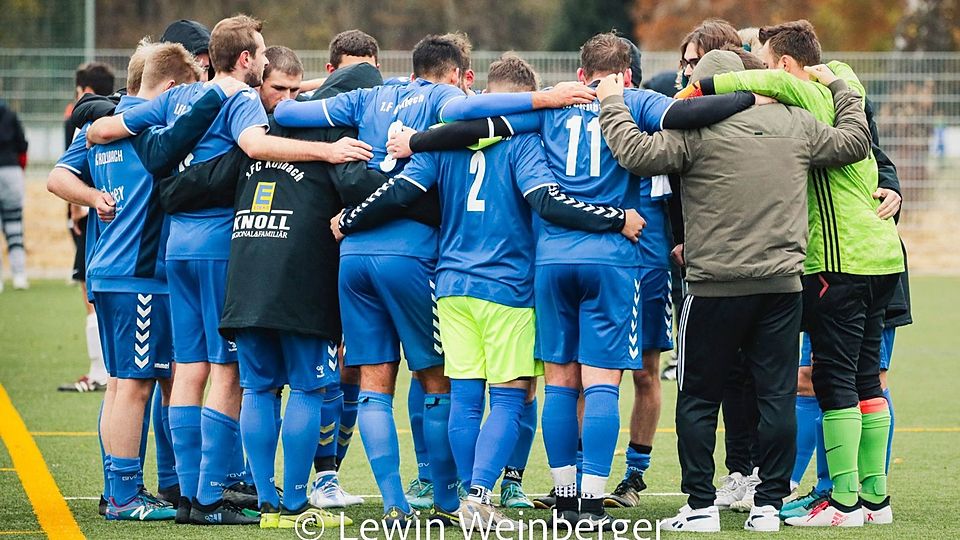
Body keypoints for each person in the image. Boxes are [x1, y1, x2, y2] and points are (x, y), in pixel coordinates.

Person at [387, 32, 761, 530]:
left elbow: (469, 121)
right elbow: (690, 114)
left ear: (581, 74)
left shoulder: (551, 106)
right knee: (602, 383)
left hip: (550, 262)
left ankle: (562, 498)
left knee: (561, 385)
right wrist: (751, 95)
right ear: (625, 75)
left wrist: (417, 141)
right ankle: (590, 503)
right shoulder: (634, 100)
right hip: (612, 260)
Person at [272, 33, 596, 526]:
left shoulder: (383, 105)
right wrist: (548, 101)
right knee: (470, 388)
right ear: (459, 76)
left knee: (380, 386)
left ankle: (397, 503)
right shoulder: (462, 117)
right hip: (452, 268)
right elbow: (521, 179)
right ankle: (462, 495)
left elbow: (290, 114)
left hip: (382, 264)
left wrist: (349, 210)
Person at [85, 14, 372, 526]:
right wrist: (327, 151)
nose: (263, 62)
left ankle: (185, 494)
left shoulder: (180, 96)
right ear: (245, 59)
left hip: (176, 247)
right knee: (227, 371)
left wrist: (99, 125)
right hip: (221, 244)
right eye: (260, 53)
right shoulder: (240, 98)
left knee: (187, 369)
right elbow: (257, 146)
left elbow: (101, 129)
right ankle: (209, 497)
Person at [334, 52, 643, 527]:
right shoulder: (523, 141)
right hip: (507, 285)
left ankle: (463, 498)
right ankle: (480, 495)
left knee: (464, 398)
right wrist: (616, 218)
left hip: (452, 286)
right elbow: (545, 199)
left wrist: (350, 219)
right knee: (509, 397)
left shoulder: (446, 141)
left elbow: (400, 191)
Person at [597, 49, 872, 532]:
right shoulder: (796, 123)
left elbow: (635, 154)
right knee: (776, 396)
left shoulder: (696, 130)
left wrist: (612, 101)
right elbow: (853, 142)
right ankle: (768, 506)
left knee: (698, 398)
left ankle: (701, 505)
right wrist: (842, 89)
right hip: (782, 285)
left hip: (714, 286)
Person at [690, 20, 906, 527]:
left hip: (838, 261)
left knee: (833, 379)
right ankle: (875, 501)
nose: (768, 73)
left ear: (785, 65)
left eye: (769, 63)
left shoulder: (796, 89)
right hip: (882, 256)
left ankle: (843, 502)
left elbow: (731, 83)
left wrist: (699, 85)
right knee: (867, 379)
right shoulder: (845, 80)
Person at [48, 41, 246, 521]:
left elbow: (57, 178)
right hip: (141, 274)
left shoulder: (105, 124)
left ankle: (121, 488)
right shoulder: (154, 127)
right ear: (172, 86)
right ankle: (124, 495)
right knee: (135, 386)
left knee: (123, 383)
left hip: (106, 270)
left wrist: (92, 195)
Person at [57, 62, 115, 393]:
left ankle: (99, 370)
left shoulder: (85, 122)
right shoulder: (117, 115)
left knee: (88, 292)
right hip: (108, 213)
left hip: (92, 216)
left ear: (86, 91)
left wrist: (76, 208)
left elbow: (72, 172)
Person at [0, 99, 28, 294]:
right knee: (15, 227)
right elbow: (23, 145)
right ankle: (19, 275)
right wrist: (20, 170)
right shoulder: (10, 115)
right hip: (11, 172)